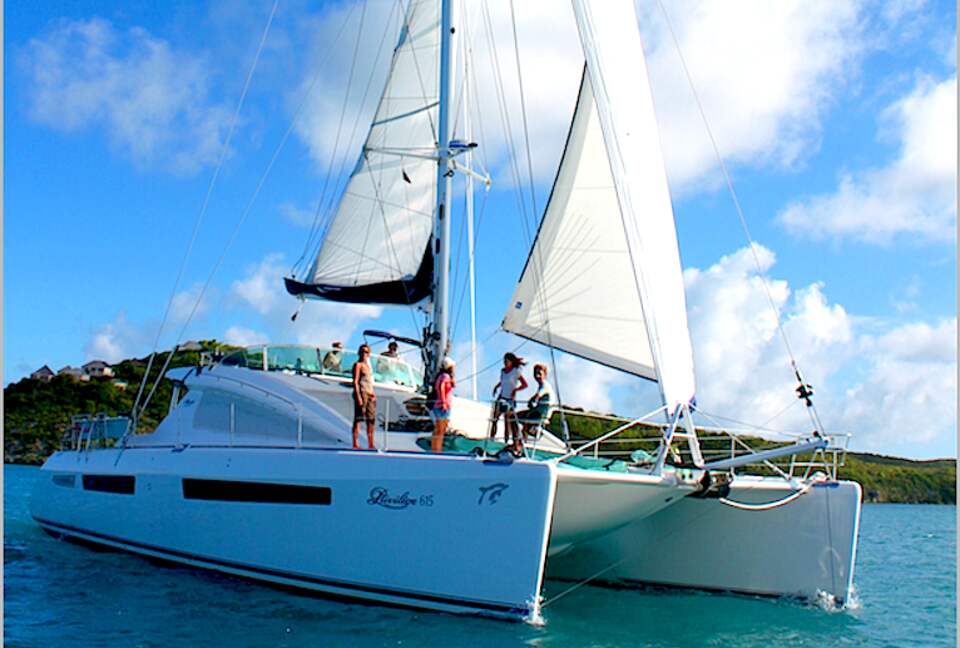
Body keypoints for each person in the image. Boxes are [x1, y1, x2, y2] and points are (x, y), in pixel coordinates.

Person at [490, 352, 527, 448]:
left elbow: (525, 384)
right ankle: (491, 438)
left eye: (507, 361)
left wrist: (515, 390)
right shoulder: (503, 371)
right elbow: (503, 381)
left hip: (510, 399)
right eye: (504, 361)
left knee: (507, 421)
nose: (505, 363)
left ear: (511, 361)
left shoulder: (516, 371)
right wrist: (496, 387)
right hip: (502, 396)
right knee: (494, 418)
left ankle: (506, 441)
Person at [516, 363, 554, 449]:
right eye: (535, 373)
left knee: (514, 417)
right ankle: (521, 443)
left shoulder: (545, 385)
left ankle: (518, 444)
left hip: (540, 414)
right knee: (520, 419)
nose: (537, 376)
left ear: (545, 375)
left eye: (539, 374)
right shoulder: (542, 385)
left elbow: (538, 395)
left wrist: (531, 400)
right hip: (539, 412)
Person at [351, 344, 376, 450]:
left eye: (366, 352)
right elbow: (356, 382)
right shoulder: (358, 365)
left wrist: (373, 393)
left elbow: (369, 382)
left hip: (369, 393)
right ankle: (355, 443)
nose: (364, 354)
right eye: (362, 351)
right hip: (362, 392)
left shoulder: (368, 367)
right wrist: (359, 397)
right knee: (359, 418)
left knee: (371, 419)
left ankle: (371, 443)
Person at [430, 357, 456, 452]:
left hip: (442, 405)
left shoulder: (442, 376)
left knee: (438, 429)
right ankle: (437, 449)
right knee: (441, 430)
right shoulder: (445, 376)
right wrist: (443, 402)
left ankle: (435, 449)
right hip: (443, 406)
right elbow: (441, 387)